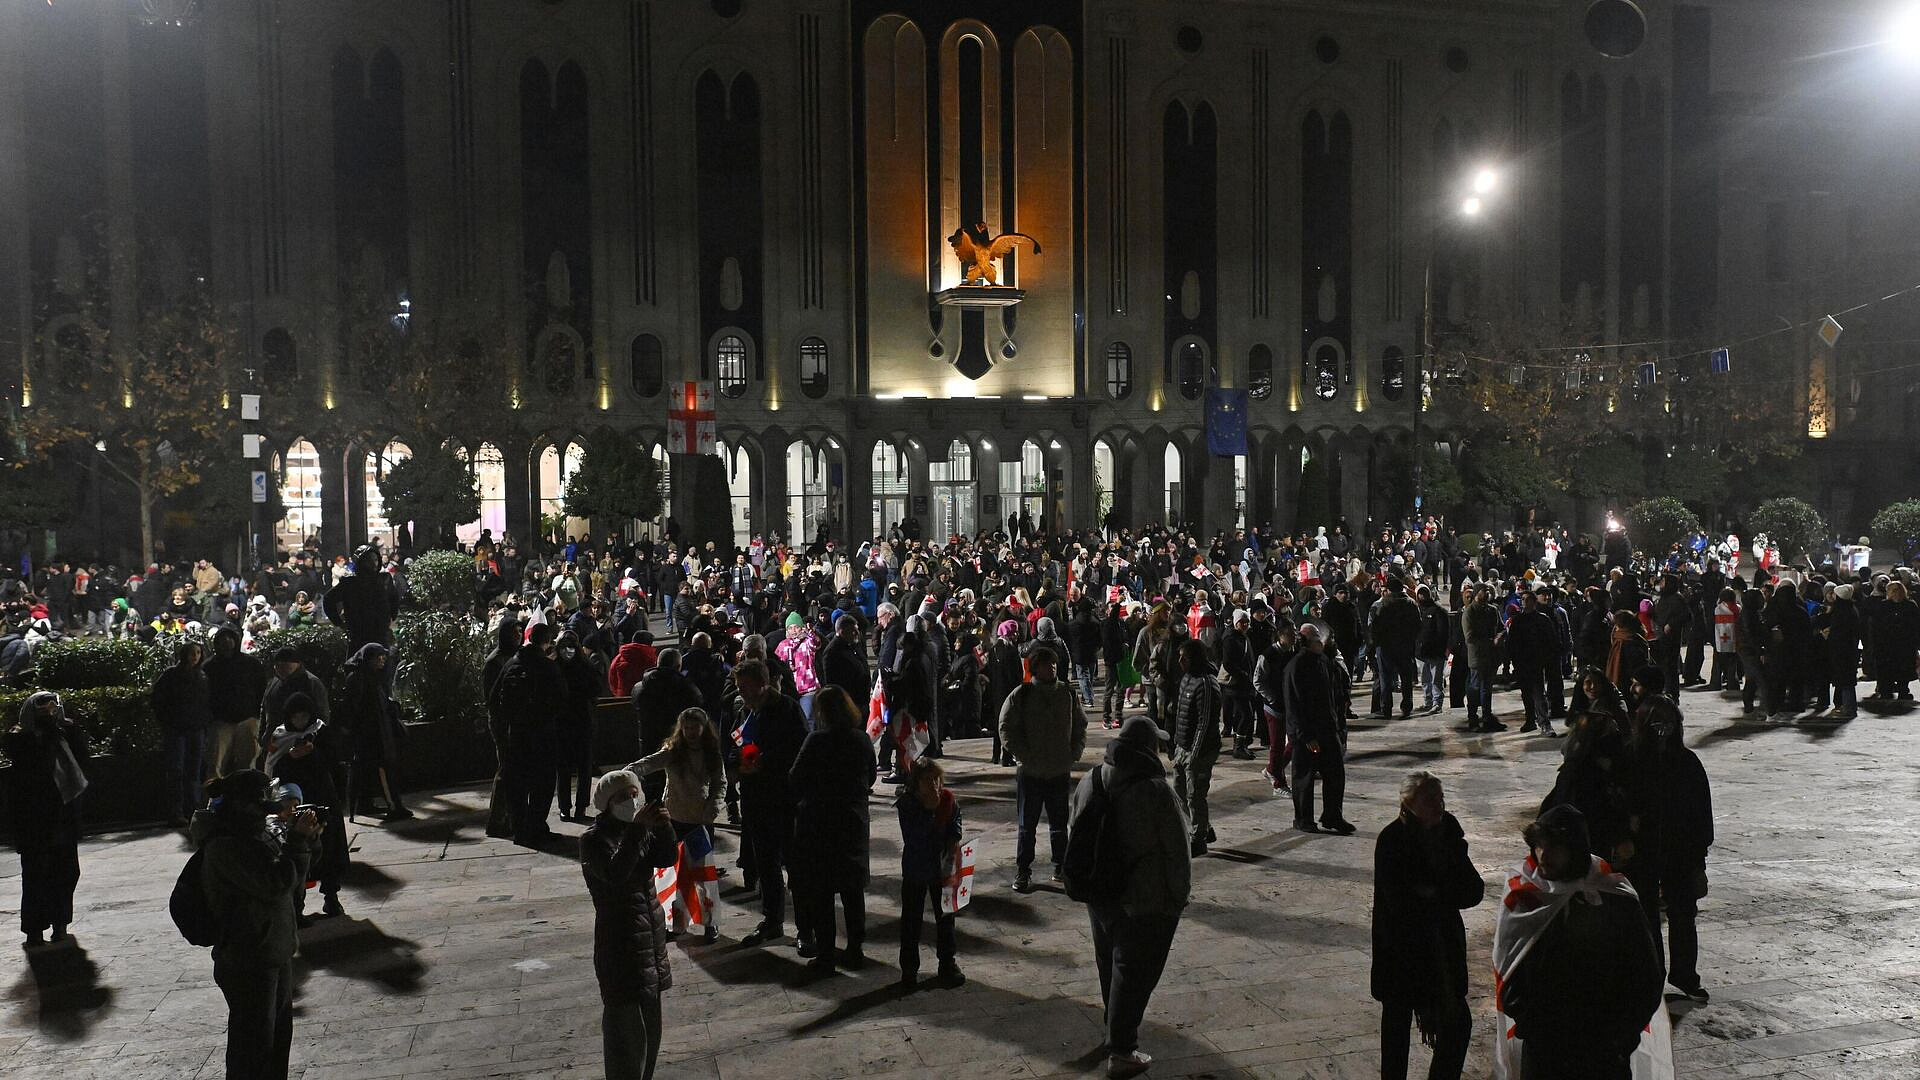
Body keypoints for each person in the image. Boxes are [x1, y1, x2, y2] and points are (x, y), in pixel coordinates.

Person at [1494, 805, 1666, 1080]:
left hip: (1601, 1052)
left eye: (1553, 848)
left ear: (1574, 849)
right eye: (1538, 846)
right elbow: (1509, 964)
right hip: (1545, 1049)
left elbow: (1645, 976)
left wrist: (1619, 1040)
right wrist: (1531, 1023)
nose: (1543, 855)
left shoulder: (1613, 897)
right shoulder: (1527, 895)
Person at [1069, 715, 1191, 1080]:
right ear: (1148, 748)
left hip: (1099, 894)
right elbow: (1178, 853)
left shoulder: (1092, 779)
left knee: (1110, 962)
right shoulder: (1157, 792)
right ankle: (1122, 1049)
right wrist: (1178, 899)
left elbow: (1077, 826)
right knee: (1134, 972)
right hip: (1143, 899)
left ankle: (1113, 1026)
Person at [192, 769, 321, 1080]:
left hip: (273, 949)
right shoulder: (227, 845)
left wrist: (305, 840)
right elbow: (274, 884)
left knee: (276, 1046)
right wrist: (296, 842)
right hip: (248, 958)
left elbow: (295, 882)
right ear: (247, 805)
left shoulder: (257, 834)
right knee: (252, 1053)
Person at [1372, 772, 1483, 1080]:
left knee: (1457, 1028)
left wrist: (1434, 892)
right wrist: (1440, 892)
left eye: (1440, 798)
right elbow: (1398, 902)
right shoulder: (1392, 839)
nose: (1439, 805)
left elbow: (1473, 890)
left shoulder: (1449, 833)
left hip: (1442, 953)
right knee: (1395, 1034)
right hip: (1402, 954)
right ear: (1409, 803)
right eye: (1430, 799)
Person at [580, 769, 681, 1080]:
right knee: (625, 1032)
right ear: (606, 804)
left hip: (649, 940)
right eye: (622, 796)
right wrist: (639, 831)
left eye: (633, 794)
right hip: (619, 943)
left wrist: (663, 827)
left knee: (651, 1029)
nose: (630, 800)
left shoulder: (638, 830)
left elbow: (664, 858)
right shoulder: (594, 840)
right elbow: (615, 874)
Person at [1624, 682, 1714, 1002]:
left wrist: (1699, 859)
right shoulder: (1632, 759)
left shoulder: (1687, 763)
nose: (1662, 733)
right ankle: (1652, 976)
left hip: (1681, 851)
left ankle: (1685, 975)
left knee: (1682, 915)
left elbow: (1702, 813)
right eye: (1656, 725)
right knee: (1646, 916)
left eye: (1669, 725)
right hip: (1644, 852)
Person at [787, 686, 878, 969]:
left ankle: (826, 953)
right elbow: (871, 776)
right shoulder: (861, 740)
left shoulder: (815, 741)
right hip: (852, 821)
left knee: (822, 892)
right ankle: (855, 948)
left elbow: (795, 778)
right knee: (852, 891)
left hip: (819, 823)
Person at [628, 707, 725, 942]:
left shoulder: (711, 753)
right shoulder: (673, 752)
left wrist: (712, 808)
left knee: (703, 875)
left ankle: (710, 922)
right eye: (687, 728)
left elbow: (720, 783)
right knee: (674, 875)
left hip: (700, 821)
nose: (691, 732)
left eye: (695, 727)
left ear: (704, 728)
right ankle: (677, 923)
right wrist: (627, 777)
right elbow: (645, 764)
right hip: (675, 820)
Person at [999, 645, 1089, 892]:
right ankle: (1023, 870)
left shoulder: (1067, 694)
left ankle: (1061, 866)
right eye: (1046, 664)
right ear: (1035, 667)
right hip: (1030, 772)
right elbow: (1006, 727)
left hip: (1059, 770)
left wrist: (1074, 753)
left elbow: (1080, 725)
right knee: (1027, 826)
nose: (1051, 668)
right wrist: (1022, 755)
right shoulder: (1023, 694)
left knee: (1059, 825)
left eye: (1054, 664)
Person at [733, 659, 809, 946]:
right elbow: (734, 743)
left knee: (795, 866)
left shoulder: (787, 709)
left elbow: (800, 750)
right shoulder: (744, 712)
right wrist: (736, 764)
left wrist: (765, 762)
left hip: (783, 799)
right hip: (754, 800)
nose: (741, 692)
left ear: (762, 684)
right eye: (739, 688)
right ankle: (772, 920)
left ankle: (805, 928)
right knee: (766, 865)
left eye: (745, 687)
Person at [4, 692, 88, 945]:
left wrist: (68, 730)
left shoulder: (66, 734)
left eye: (54, 709)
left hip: (63, 815)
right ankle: (35, 928)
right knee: (36, 873)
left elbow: (81, 762)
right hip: (34, 818)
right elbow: (31, 769)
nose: (50, 715)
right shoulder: (21, 739)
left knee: (66, 870)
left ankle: (60, 922)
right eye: (44, 710)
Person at [262, 693, 349, 919]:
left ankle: (331, 897)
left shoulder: (321, 732)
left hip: (323, 798)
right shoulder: (281, 736)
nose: (300, 720)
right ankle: (296, 908)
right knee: (297, 852)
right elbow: (273, 770)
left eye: (304, 715)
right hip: (294, 802)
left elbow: (335, 762)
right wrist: (291, 757)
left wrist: (313, 753)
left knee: (328, 850)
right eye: (296, 716)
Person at [490, 625, 566, 845]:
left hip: (516, 735)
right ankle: (536, 828)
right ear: (547, 642)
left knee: (518, 785)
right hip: (542, 735)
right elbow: (562, 698)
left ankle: (520, 831)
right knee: (542, 785)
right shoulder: (547, 666)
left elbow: (494, 699)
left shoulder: (511, 664)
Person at [896, 757, 965, 988]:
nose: (933, 784)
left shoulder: (947, 799)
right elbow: (914, 838)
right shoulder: (908, 804)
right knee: (911, 919)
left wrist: (953, 837)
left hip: (942, 868)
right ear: (916, 783)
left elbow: (956, 819)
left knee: (945, 916)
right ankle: (909, 969)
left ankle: (947, 963)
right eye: (927, 780)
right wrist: (931, 813)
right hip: (917, 867)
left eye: (936, 779)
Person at [1283, 624, 1354, 834]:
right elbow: (1294, 706)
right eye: (1317, 639)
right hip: (1307, 734)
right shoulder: (1296, 666)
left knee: (1335, 773)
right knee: (1304, 778)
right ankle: (1304, 819)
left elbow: (1331, 698)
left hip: (1327, 729)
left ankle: (1333, 815)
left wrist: (1338, 728)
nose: (1321, 642)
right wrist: (1306, 736)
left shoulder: (1323, 662)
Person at [341, 642, 411, 821]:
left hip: (376, 731)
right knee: (383, 770)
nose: (382, 660)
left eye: (383, 657)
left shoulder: (370, 676)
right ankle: (393, 805)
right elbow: (355, 707)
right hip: (371, 733)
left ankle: (379, 804)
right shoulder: (359, 678)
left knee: (378, 770)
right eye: (378, 657)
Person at [1169, 638, 1221, 856]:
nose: (1180, 661)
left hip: (1199, 750)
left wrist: (1195, 752)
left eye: (1185, 657)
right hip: (1183, 746)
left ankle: (1198, 838)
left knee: (1195, 795)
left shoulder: (1207, 683)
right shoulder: (1186, 679)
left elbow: (1206, 721)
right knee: (1179, 790)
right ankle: (1204, 827)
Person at [629, 648, 701, 803]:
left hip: (648, 743)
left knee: (652, 792)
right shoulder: (686, 688)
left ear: (657, 663)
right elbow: (698, 707)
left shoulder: (640, 687)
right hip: (675, 744)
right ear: (678, 666)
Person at [152, 639, 211, 825]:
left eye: (198, 653)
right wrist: (168, 721)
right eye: (192, 653)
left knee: (193, 770)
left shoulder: (202, 676)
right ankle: (176, 811)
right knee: (176, 770)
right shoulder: (171, 675)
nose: (195, 657)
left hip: (196, 729)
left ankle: (192, 808)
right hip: (177, 729)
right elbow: (158, 700)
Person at [202, 626, 267, 781]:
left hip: (247, 720)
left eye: (230, 638)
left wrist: (257, 714)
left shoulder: (251, 664)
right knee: (216, 764)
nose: (226, 642)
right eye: (222, 639)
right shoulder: (209, 667)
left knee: (248, 763)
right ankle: (215, 800)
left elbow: (261, 688)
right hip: (220, 722)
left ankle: (246, 797)